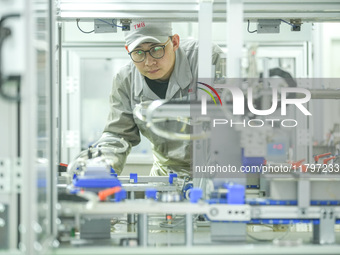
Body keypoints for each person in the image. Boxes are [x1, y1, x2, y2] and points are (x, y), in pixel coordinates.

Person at [97, 21, 223, 176]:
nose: (149, 62)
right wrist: (102, 166)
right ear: (128, 51)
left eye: (156, 50)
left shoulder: (207, 59)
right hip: (165, 176)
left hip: (215, 172)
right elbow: (117, 135)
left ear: (174, 42)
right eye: (138, 52)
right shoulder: (126, 80)